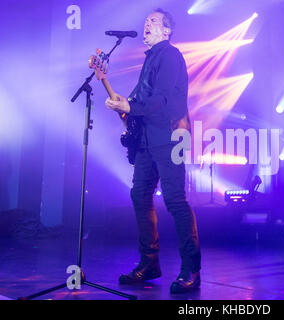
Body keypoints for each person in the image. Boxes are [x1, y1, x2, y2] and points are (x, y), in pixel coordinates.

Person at [105, 8, 201, 294]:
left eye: (153, 22)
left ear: (167, 31)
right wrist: (110, 88)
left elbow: (160, 99)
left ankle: (191, 268)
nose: (146, 24)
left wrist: (130, 106)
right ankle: (149, 263)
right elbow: (138, 100)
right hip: (149, 139)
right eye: (146, 21)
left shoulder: (169, 55)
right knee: (140, 194)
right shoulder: (151, 59)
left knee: (175, 200)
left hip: (171, 136)